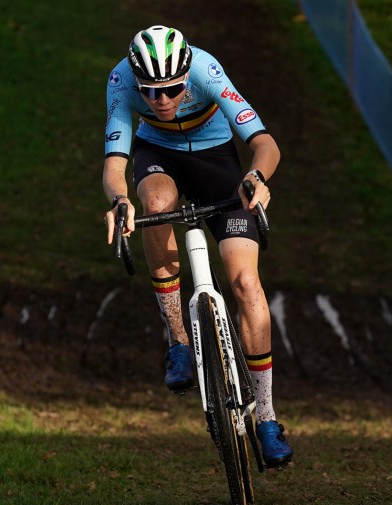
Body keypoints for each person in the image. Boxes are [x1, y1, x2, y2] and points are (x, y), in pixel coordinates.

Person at [101, 25, 292, 468]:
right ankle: (179, 340)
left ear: (187, 75)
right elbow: (115, 162)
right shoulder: (119, 80)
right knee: (155, 202)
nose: (162, 101)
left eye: (171, 90)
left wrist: (257, 177)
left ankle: (266, 418)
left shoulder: (207, 70)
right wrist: (119, 199)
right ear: (135, 80)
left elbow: (264, 143)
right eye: (150, 92)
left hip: (217, 161)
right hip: (158, 158)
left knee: (245, 283)